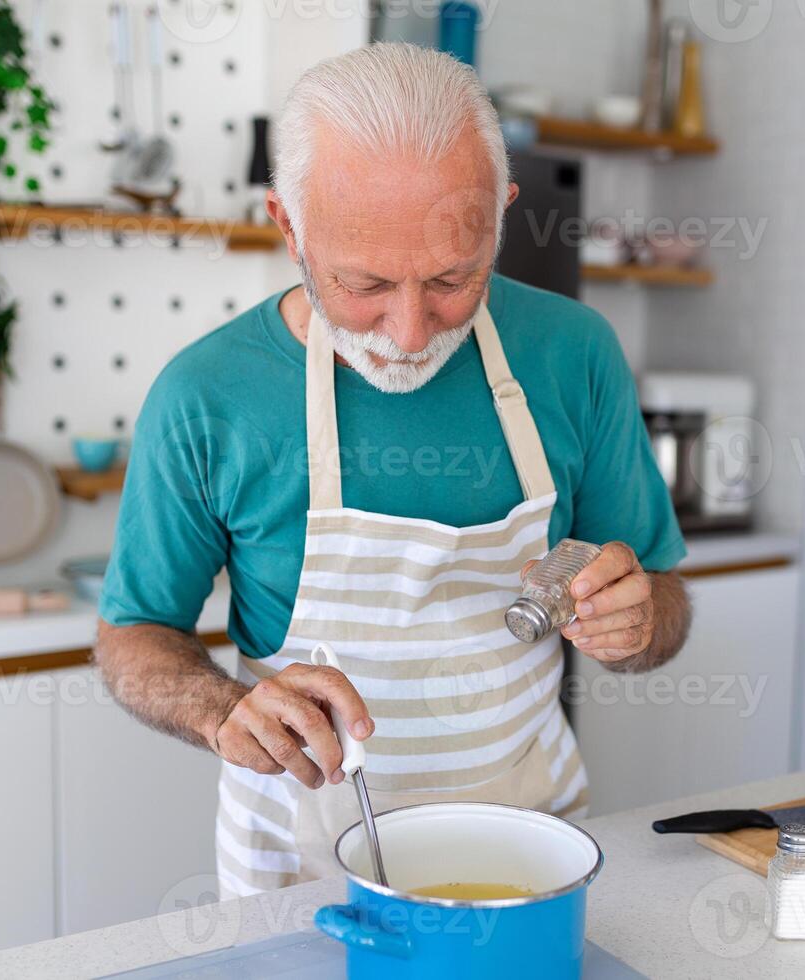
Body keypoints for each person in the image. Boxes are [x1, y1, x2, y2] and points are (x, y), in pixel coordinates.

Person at [94, 42, 692, 898]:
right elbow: (132, 637)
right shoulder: (206, 396)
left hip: (532, 848)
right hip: (301, 872)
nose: (410, 334)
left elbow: (662, 600)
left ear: (501, 215)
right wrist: (223, 710)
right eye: (364, 283)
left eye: (454, 277)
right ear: (286, 225)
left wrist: (638, 625)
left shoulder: (575, 353)